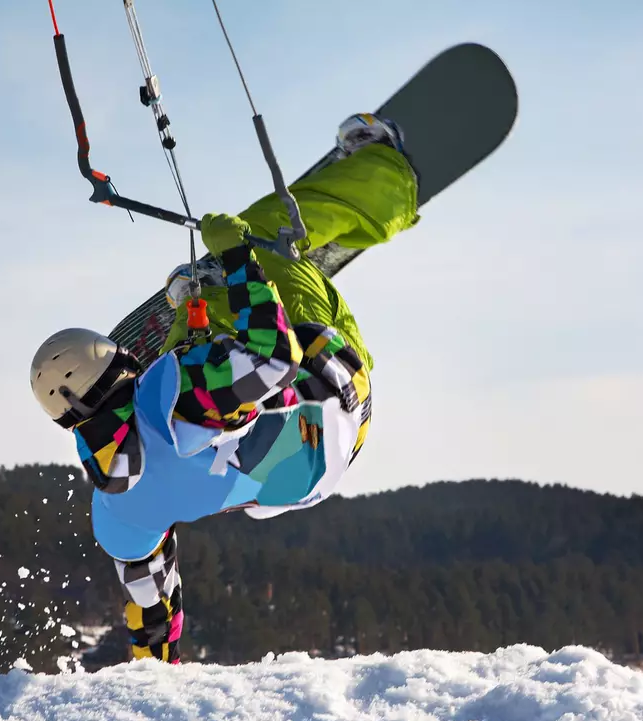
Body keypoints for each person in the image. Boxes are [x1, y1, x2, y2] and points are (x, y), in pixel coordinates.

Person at [30, 114, 419, 663]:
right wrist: (238, 259)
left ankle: (205, 304)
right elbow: (276, 359)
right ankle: (389, 173)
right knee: (268, 242)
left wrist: (155, 672)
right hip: (338, 396)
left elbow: (151, 606)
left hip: (303, 482)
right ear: (116, 363)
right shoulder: (174, 392)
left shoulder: (113, 507)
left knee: (206, 360)